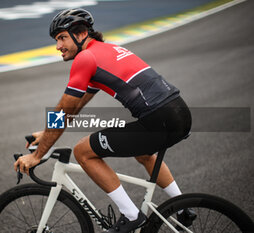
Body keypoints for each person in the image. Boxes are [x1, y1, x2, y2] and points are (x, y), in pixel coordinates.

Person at [14, 8, 195, 233]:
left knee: (83, 151)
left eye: (62, 38)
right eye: (56, 40)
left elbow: (64, 108)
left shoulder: (85, 58)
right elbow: (75, 107)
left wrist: (37, 154)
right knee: (143, 153)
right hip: (179, 112)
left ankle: (131, 216)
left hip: (159, 119)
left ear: (80, 34)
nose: (58, 46)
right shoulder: (107, 50)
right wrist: (45, 132)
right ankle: (182, 207)